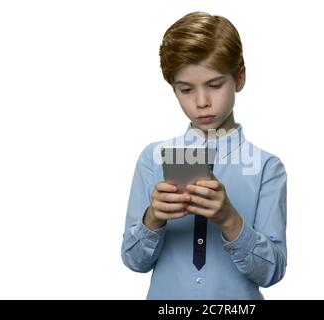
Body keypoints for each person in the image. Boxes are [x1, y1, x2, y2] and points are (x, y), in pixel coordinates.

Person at [121, 11, 287, 300]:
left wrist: (229, 219)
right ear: (173, 90)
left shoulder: (266, 168)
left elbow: (272, 273)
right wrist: (153, 220)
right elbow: (134, 262)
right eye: (186, 89)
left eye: (214, 85)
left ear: (239, 78)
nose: (201, 102)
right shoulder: (153, 158)